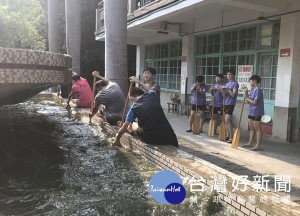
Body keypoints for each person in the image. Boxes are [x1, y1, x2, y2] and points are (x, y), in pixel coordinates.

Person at [113, 87, 178, 148]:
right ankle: (130, 129)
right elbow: (153, 89)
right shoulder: (152, 94)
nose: (132, 103)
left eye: (131, 100)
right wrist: (138, 82)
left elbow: (123, 129)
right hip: (170, 137)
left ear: (133, 97)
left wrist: (117, 139)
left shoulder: (134, 107)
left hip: (151, 138)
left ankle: (130, 129)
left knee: (132, 124)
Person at [243, 75, 264, 151]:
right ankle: (250, 143)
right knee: (251, 128)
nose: (250, 83)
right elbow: (248, 102)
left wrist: (247, 98)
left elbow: (255, 102)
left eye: (250, 81)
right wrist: (246, 95)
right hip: (251, 111)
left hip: (257, 111)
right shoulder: (252, 90)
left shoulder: (258, 90)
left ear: (254, 81)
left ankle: (258, 145)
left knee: (257, 129)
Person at [221, 70, 239, 143]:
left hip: (231, 103)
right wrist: (222, 90)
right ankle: (228, 135)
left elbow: (233, 95)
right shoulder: (227, 83)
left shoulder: (235, 84)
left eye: (230, 74)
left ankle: (231, 137)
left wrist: (228, 89)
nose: (228, 76)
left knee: (227, 120)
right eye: (227, 74)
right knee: (225, 120)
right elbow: (224, 96)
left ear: (233, 75)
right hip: (225, 102)